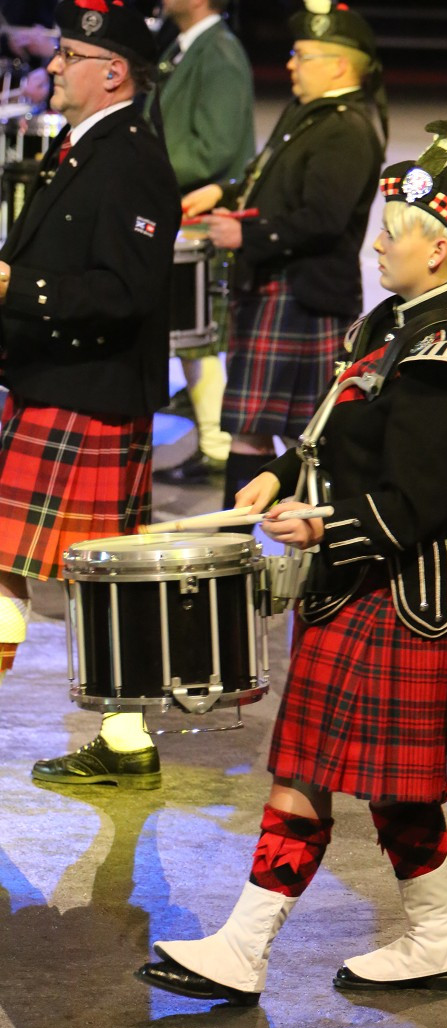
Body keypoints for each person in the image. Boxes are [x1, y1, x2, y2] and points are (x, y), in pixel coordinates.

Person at [134, 122, 447, 1005]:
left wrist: (324, 530)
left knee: (326, 775)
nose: (379, 243)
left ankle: (252, 946)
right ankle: (431, 938)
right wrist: (280, 472)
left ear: (441, 248)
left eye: (395, 231)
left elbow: (416, 503)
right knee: (380, 784)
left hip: (394, 594)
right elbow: (331, 428)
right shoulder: (388, 324)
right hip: (358, 588)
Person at [0, 0, 180, 786]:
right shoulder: (86, 147)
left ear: (112, 72)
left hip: (89, 393)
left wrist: (19, 285)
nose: (52, 65)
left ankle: (128, 734)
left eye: (67, 55)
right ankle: (129, 736)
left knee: (67, 574)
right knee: (95, 580)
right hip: (60, 384)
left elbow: (129, 291)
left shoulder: (131, 157)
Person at [180, 0, 387, 511]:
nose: (290, 64)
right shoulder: (310, 114)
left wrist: (245, 237)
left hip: (304, 296)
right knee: (250, 432)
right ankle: (237, 559)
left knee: (305, 439)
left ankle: (314, 560)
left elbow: (323, 219)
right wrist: (225, 194)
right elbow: (271, 178)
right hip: (282, 291)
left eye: (302, 55)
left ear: (338, 65)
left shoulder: (346, 127)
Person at [145, 0, 255, 483]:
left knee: (199, 335)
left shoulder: (221, 53)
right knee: (191, 335)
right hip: (182, 206)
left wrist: (139, 161)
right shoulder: (184, 45)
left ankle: (219, 444)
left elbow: (216, 146)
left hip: (202, 213)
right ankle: (213, 439)